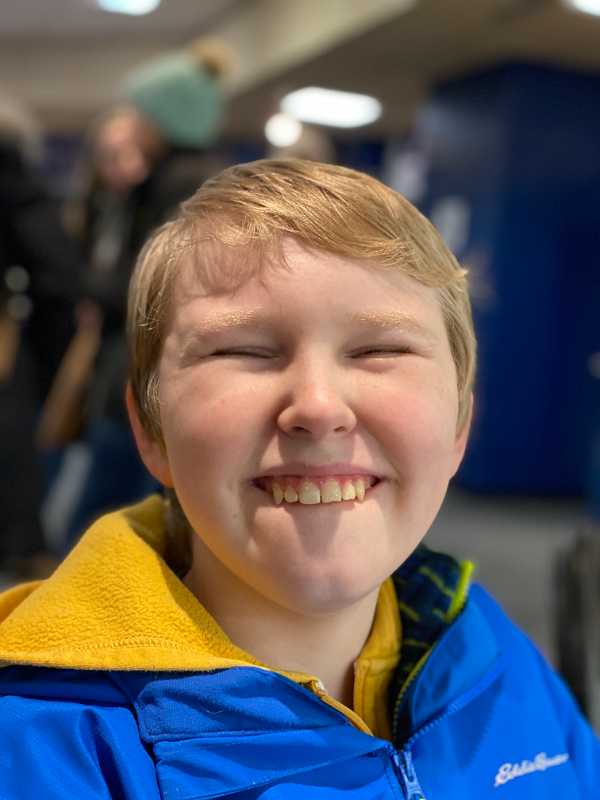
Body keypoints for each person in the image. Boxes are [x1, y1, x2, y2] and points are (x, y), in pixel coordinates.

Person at [0, 159, 597, 798]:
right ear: (150, 430)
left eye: (380, 350)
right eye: (244, 351)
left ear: (459, 426)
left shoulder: (499, 660)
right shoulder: (41, 749)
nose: (318, 406)